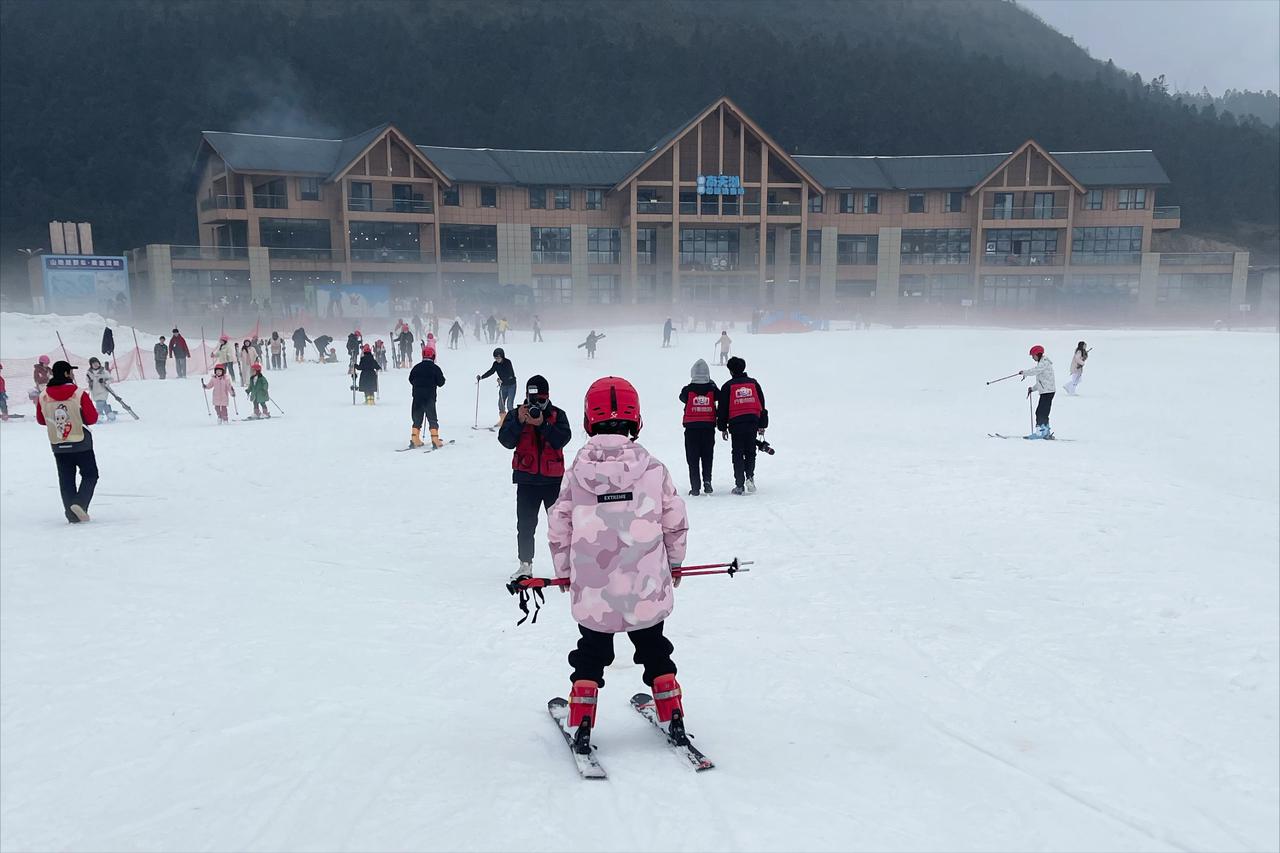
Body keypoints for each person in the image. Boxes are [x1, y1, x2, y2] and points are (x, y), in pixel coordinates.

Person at [547, 375, 689, 745]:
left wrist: (565, 573)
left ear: (587, 420)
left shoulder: (576, 474)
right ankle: (671, 712)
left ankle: (581, 720)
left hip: (594, 588)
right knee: (654, 647)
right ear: (636, 420)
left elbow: (559, 526)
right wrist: (674, 564)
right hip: (645, 585)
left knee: (591, 652)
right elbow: (675, 522)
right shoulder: (654, 470)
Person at [498, 374, 571, 582]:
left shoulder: (557, 415)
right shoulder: (516, 415)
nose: (536, 404)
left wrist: (543, 424)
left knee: (561, 526)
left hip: (552, 481)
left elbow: (561, 440)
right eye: (533, 400)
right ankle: (525, 565)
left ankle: (566, 565)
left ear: (547, 397)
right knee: (526, 524)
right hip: (527, 480)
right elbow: (505, 441)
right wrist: (520, 422)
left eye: (540, 400)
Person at [35, 360, 100, 523]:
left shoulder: (43, 396)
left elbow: (41, 420)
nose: (72, 374)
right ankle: (80, 503)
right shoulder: (78, 393)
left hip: (58, 443)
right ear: (65, 374)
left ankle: (72, 515)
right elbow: (92, 418)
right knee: (90, 474)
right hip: (81, 442)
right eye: (70, 372)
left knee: (66, 479)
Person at [716, 356, 769, 495]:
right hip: (752, 421)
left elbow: (722, 409)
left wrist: (722, 427)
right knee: (751, 451)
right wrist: (762, 424)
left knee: (738, 453)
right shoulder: (754, 383)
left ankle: (739, 484)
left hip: (736, 423)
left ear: (731, 371)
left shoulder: (728, 386)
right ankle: (750, 476)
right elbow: (761, 404)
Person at [679, 359, 718, 496]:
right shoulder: (712, 388)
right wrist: (711, 383)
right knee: (708, 456)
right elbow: (719, 396)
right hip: (708, 428)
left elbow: (682, 398)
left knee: (692, 458)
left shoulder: (687, 390)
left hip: (691, 429)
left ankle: (695, 487)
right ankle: (707, 481)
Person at [408, 341, 447, 448]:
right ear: (433, 356)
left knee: (417, 418)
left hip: (417, 397)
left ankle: (414, 439)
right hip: (429, 397)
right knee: (432, 418)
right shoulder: (435, 368)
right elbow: (441, 383)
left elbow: (410, 379)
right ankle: (435, 439)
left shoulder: (416, 367)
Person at [1021, 345, 1056, 438]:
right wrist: (1033, 388)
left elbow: (1035, 371)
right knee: (1043, 412)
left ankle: (1040, 433)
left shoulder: (1043, 363)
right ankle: (1045, 431)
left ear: (1038, 354)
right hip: (1047, 391)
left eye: (1033, 355)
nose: (1032, 357)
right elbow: (1042, 382)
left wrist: (1025, 372)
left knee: (1040, 412)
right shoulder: (1043, 363)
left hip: (1047, 392)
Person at [477, 347, 517, 428]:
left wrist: (502, 379)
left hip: (511, 385)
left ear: (502, 356)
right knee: (501, 404)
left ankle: (513, 421)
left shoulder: (508, 362)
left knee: (509, 404)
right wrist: (481, 377)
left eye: (498, 358)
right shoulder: (495, 364)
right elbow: (491, 371)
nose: (497, 359)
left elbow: (510, 374)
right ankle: (503, 420)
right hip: (503, 386)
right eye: (495, 358)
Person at [84, 357, 117, 421]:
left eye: (96, 363)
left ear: (99, 363)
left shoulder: (104, 371)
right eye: (93, 364)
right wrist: (90, 382)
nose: (95, 365)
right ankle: (110, 415)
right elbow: (87, 379)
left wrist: (105, 382)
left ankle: (99, 416)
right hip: (94, 391)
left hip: (103, 390)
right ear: (91, 365)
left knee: (99, 403)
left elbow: (111, 379)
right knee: (103, 403)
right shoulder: (89, 373)